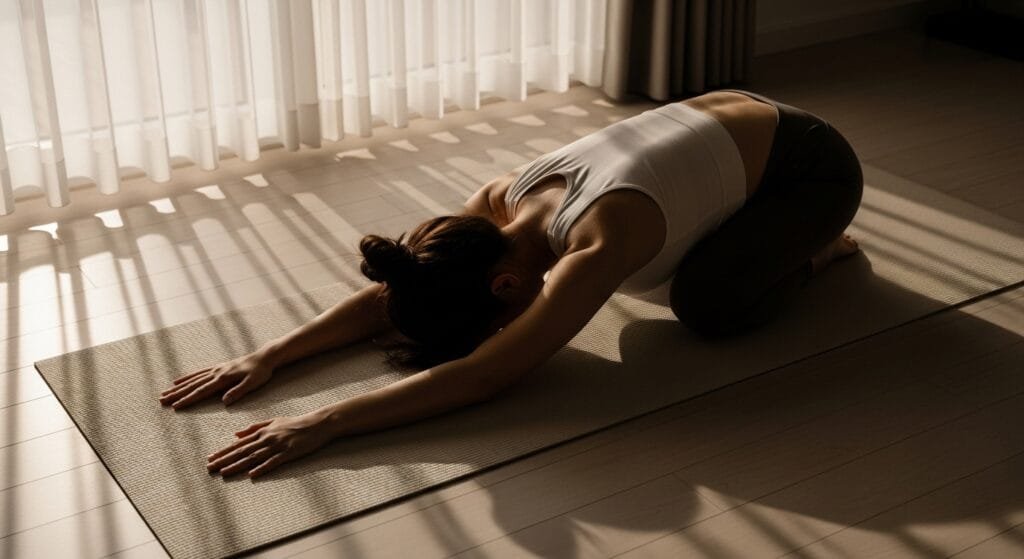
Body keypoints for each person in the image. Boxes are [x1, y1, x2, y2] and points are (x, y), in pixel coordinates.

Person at [159, 90, 863, 478]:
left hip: (812, 166)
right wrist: (270, 355)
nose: (507, 328)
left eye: (497, 319)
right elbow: (394, 294)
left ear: (503, 286)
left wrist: (323, 420)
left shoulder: (594, 243)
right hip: (733, 113)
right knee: (672, 268)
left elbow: (484, 376)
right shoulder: (498, 205)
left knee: (704, 306)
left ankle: (818, 252)